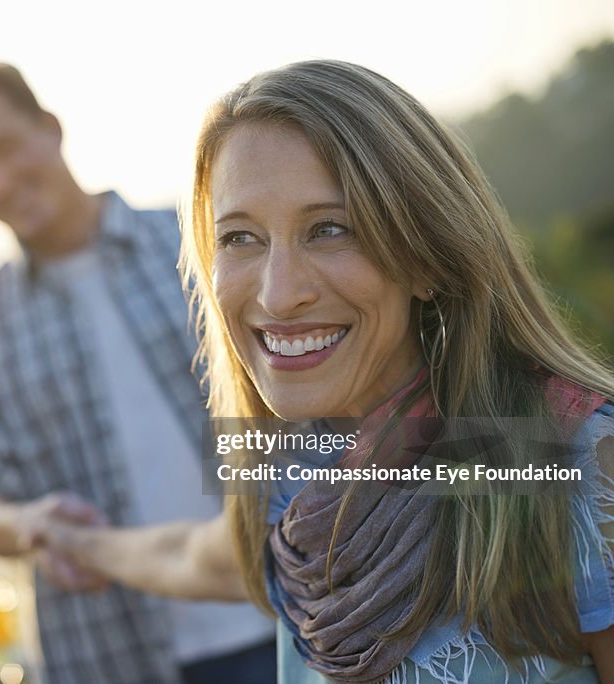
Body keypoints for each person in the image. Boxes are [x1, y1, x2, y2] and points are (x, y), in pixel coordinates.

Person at [41, 60, 614, 683]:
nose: (279, 294)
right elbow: (193, 556)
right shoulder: (292, 469)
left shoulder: (574, 461)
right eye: (239, 238)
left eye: (329, 229)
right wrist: (73, 542)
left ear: (428, 259)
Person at [0, 63, 276, 684]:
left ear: (50, 128)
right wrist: (23, 524)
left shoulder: (205, 240)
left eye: (3, 148)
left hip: (285, 617)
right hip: (113, 657)